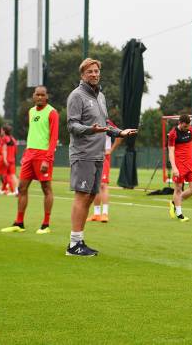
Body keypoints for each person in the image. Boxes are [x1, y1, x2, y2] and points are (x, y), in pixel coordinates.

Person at [66, 58, 137, 256]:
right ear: (82, 75)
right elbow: (72, 125)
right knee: (82, 196)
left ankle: (79, 241)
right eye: (90, 71)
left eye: (97, 71)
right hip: (83, 154)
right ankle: (73, 244)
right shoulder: (77, 96)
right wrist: (90, 129)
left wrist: (120, 132)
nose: (94, 74)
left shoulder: (101, 97)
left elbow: (105, 123)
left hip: (98, 155)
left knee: (89, 197)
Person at [1, 86, 58, 234]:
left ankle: (46, 225)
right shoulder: (31, 111)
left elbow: (53, 138)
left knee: (46, 189)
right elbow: (33, 133)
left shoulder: (52, 112)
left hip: (43, 155)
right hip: (29, 155)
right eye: (37, 95)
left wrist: (47, 158)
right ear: (33, 96)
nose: (39, 97)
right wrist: (26, 153)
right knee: (22, 188)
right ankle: (19, 223)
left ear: (47, 97)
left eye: (42, 95)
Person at [167, 114, 192, 222]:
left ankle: (175, 202)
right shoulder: (173, 134)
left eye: (188, 126)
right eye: (186, 126)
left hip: (190, 164)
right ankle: (179, 214)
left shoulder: (190, 130)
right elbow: (171, 152)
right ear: (180, 123)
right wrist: (174, 168)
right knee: (178, 189)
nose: (188, 127)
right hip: (179, 165)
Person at [87, 119, 122, 223]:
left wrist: (110, 150)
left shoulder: (107, 122)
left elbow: (119, 135)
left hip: (103, 157)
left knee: (103, 185)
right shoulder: (89, 120)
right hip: (91, 156)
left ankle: (105, 213)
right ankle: (96, 214)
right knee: (95, 185)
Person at [1, 124, 19, 196]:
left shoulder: (4, 138)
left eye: (2, 130)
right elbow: (16, 151)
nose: (1, 131)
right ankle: (16, 190)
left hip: (7, 159)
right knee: (12, 175)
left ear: (4, 131)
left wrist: (5, 159)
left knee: (3, 175)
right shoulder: (13, 139)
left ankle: (7, 189)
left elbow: (4, 150)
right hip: (12, 159)